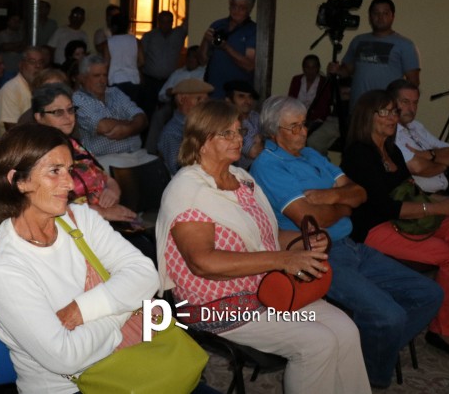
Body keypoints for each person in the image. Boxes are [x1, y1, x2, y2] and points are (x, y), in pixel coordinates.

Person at [156, 100, 371, 394]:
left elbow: (265, 235)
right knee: (317, 343)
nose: (238, 139)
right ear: (203, 142)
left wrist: (301, 243)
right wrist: (283, 260)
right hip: (217, 305)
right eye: (227, 134)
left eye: (239, 131)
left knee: (345, 329)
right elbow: (203, 262)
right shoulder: (188, 190)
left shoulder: (242, 180)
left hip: (266, 289)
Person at [250, 95, 443, 387]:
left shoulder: (311, 154)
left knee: (430, 294)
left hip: (353, 245)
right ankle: (371, 380)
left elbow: (360, 193)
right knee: (389, 316)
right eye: (293, 127)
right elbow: (311, 220)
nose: (302, 132)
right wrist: (344, 203)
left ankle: (360, 354)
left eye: (303, 125)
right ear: (273, 132)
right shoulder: (268, 165)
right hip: (320, 255)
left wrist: (331, 197)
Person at [0, 123, 161, 394]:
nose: (69, 183)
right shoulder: (5, 269)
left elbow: (146, 274)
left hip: (128, 363)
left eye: (69, 170)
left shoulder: (80, 219)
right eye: (54, 171)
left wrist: (81, 310)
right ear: (18, 180)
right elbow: (66, 357)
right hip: (69, 388)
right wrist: (124, 311)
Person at [341, 90, 449, 361]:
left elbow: (410, 192)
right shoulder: (359, 153)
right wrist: (440, 207)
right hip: (374, 229)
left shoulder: (392, 149)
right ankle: (445, 330)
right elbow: (386, 207)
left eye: (393, 111)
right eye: (384, 112)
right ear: (366, 117)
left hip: (405, 220)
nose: (392, 117)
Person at [32, 83, 135, 222]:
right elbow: (48, 204)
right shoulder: (37, 155)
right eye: (58, 112)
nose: (68, 117)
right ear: (39, 117)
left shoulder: (75, 145)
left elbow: (106, 178)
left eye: (70, 110)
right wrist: (101, 212)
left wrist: (113, 191)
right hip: (72, 225)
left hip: (104, 216)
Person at [329, 0, 420, 106]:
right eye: (376, 13)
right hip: (358, 108)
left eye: (385, 13)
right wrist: (337, 70)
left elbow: (413, 82)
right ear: (370, 16)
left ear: (393, 16)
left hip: (386, 111)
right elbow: (347, 70)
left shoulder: (405, 44)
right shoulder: (358, 40)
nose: (380, 17)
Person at [73, 54, 151, 169]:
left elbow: (143, 119)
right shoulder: (78, 98)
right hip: (105, 158)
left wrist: (127, 129)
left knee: (162, 171)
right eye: (96, 76)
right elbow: (103, 126)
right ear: (83, 78)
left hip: (137, 153)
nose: (102, 80)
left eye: (104, 75)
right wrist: (132, 125)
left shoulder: (115, 92)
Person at [388, 79, 449, 194]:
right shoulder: (389, 133)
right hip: (419, 199)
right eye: (405, 102)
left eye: (415, 103)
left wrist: (425, 155)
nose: (412, 109)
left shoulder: (416, 126)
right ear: (390, 103)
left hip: (445, 192)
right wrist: (444, 164)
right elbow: (418, 168)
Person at [199, 0, 257, 99]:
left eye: (241, 8)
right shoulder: (217, 25)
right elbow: (202, 60)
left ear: (249, 9)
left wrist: (226, 47)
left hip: (237, 97)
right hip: (213, 92)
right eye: (233, 6)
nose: (236, 11)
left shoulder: (253, 30)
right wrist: (205, 41)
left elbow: (249, 65)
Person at [159, 78, 212, 175]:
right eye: (199, 99)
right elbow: (179, 171)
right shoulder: (172, 133)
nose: (204, 105)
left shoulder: (205, 124)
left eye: (206, 100)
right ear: (181, 99)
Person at [141, 9, 188, 117]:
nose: (166, 24)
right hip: (150, 80)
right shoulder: (149, 36)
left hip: (170, 81)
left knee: (169, 112)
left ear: (172, 22)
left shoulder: (178, 34)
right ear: (158, 22)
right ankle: (148, 133)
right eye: (163, 21)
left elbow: (188, 21)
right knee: (148, 109)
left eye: (168, 22)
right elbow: (140, 57)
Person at [0, 46, 46, 138]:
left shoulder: (45, 87)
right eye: (32, 62)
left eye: (40, 62)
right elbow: (13, 131)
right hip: (14, 146)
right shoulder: (10, 89)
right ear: (21, 65)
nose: (38, 66)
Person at [105, 12, 143, 103]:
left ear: (113, 26)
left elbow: (106, 64)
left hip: (115, 80)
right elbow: (142, 61)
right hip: (133, 80)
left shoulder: (108, 42)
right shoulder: (135, 41)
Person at [224, 80, 262, 169]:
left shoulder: (256, 116)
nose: (247, 101)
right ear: (229, 100)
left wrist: (262, 140)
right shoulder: (228, 122)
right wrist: (264, 140)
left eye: (250, 97)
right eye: (241, 96)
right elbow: (253, 152)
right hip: (243, 173)